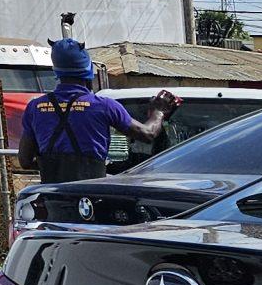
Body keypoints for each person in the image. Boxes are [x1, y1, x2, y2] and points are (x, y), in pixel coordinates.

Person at [17, 38, 180, 183]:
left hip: (53, 196)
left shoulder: (35, 108)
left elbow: (25, 161)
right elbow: (147, 134)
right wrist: (159, 111)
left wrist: (56, 170)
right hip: (91, 195)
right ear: (88, 69)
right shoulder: (104, 106)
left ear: (56, 70)